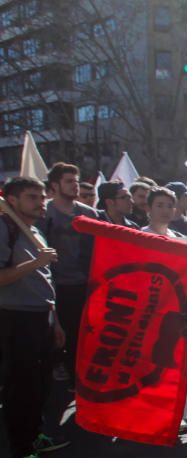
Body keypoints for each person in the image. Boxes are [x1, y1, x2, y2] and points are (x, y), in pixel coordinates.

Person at [0, 177, 67, 458]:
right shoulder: (5, 228)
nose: (41, 202)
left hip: (43, 315)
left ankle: (34, 433)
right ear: (11, 200)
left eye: (42, 196)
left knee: (41, 384)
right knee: (20, 387)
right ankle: (21, 453)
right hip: (15, 318)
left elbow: (45, 281)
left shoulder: (35, 229)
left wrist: (56, 321)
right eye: (32, 197)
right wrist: (36, 261)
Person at [40, 162, 100, 385]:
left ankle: (81, 378)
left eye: (76, 181)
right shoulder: (45, 213)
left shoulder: (89, 213)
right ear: (55, 185)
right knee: (60, 334)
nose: (74, 186)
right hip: (56, 285)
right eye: (69, 181)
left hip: (86, 283)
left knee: (84, 334)